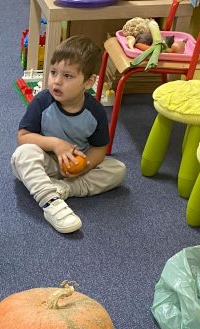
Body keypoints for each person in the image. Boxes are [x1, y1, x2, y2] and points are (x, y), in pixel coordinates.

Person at [9, 35, 126, 234]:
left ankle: (64, 189)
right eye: (54, 72)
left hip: (74, 169)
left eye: (68, 76)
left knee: (118, 170)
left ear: (88, 82)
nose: (57, 81)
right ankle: (51, 202)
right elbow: (23, 137)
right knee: (22, 155)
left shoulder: (95, 111)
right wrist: (55, 144)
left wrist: (83, 166)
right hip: (46, 161)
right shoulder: (42, 102)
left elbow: (99, 149)